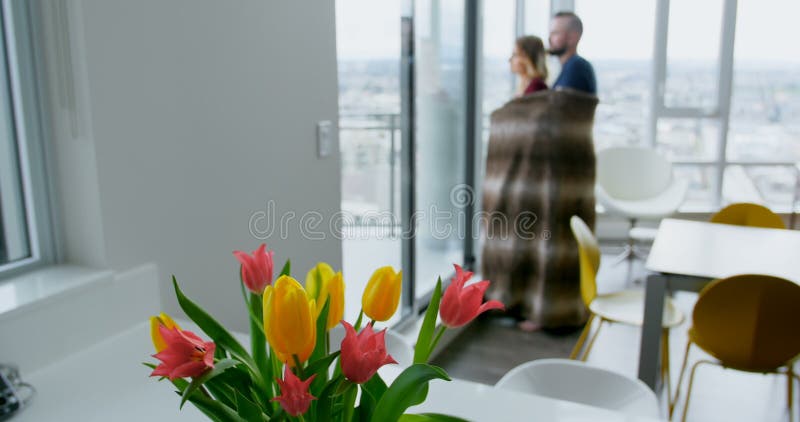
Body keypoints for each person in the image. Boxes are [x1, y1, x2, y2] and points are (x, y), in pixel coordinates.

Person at [548, 11, 596, 95]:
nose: (549, 39)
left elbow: (560, 104)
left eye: (555, 33)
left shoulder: (576, 66)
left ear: (572, 37)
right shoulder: (571, 66)